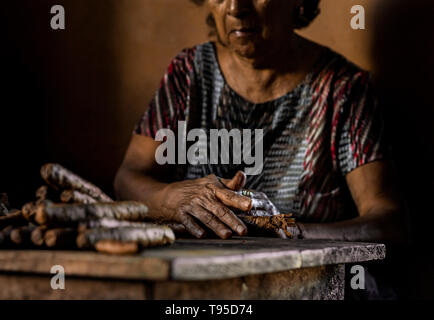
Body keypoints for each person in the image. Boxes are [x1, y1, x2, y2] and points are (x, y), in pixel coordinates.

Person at [114, 0, 406, 244]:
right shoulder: (189, 74)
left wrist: (290, 230)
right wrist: (170, 198)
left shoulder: (341, 89)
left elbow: (389, 222)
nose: (236, 8)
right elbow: (127, 178)